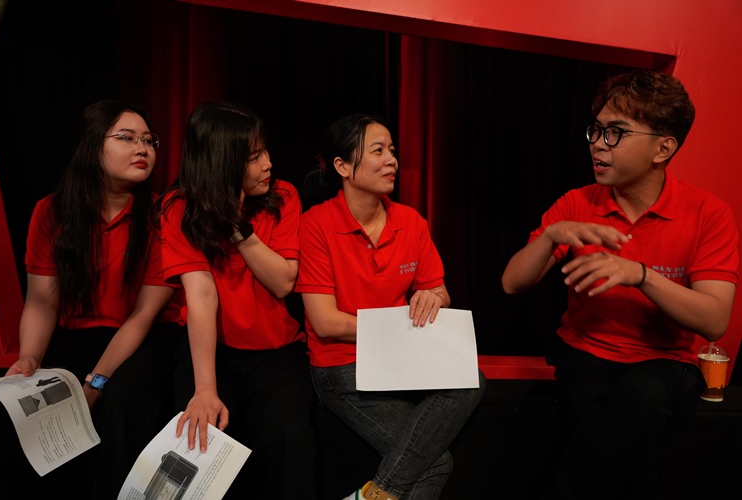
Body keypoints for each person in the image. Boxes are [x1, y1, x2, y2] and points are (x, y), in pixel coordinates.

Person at [501, 69, 739, 499]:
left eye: (616, 133)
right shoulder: (577, 202)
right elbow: (512, 283)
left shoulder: (708, 213)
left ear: (663, 148)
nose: (598, 143)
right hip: (585, 354)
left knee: (643, 397)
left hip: (666, 362)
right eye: (596, 130)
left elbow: (714, 320)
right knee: (609, 413)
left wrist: (640, 275)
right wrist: (552, 236)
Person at [0, 99, 183, 498]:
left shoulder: (163, 214)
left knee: (121, 402)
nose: (142, 148)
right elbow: (42, 302)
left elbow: (144, 315)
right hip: (80, 335)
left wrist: (95, 383)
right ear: (92, 146)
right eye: (127, 138)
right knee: (15, 410)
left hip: (147, 338)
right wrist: (29, 357)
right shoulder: (52, 211)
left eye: (148, 140)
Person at [297, 113, 486, 500]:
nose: (392, 160)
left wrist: (433, 297)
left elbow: (439, 291)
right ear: (343, 166)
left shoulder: (411, 221)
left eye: (392, 150)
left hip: (397, 356)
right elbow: (326, 322)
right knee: (436, 463)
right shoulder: (316, 224)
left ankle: (377, 492)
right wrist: (396, 329)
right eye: (378, 151)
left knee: (472, 379)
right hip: (342, 364)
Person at [156, 100, 316, 499]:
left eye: (265, 152)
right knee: (202, 438)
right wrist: (205, 390)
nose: (268, 164)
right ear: (221, 163)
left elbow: (283, 282)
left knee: (289, 433)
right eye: (253, 157)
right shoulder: (177, 208)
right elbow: (201, 294)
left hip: (276, 350)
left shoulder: (284, 196)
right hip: (213, 352)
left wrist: (236, 226)